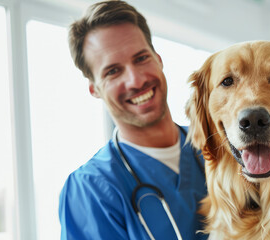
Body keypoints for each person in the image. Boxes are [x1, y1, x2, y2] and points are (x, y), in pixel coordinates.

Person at [58, 1, 207, 239]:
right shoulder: (91, 189)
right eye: (113, 71)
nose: (136, 81)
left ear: (158, 59)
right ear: (94, 88)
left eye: (140, 58)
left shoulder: (220, 146)